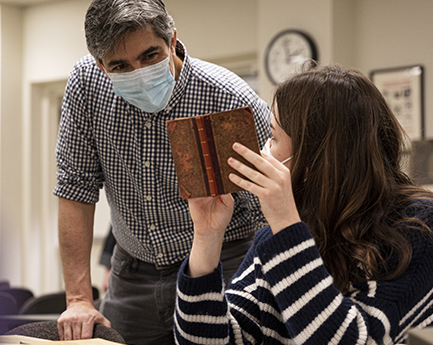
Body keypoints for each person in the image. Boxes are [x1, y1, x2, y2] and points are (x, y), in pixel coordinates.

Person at [174, 61, 433, 344]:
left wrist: (284, 222)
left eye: (273, 137)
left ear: (314, 158)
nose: (264, 150)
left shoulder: (423, 223)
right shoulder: (278, 236)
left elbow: (349, 339)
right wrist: (207, 237)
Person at [53, 0, 271, 343]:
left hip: (224, 262)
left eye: (150, 56)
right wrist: (78, 299)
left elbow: (272, 203)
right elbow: (74, 186)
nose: (138, 72)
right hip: (133, 271)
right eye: (120, 66)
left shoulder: (226, 96)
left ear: (172, 40)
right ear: (100, 65)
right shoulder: (86, 85)